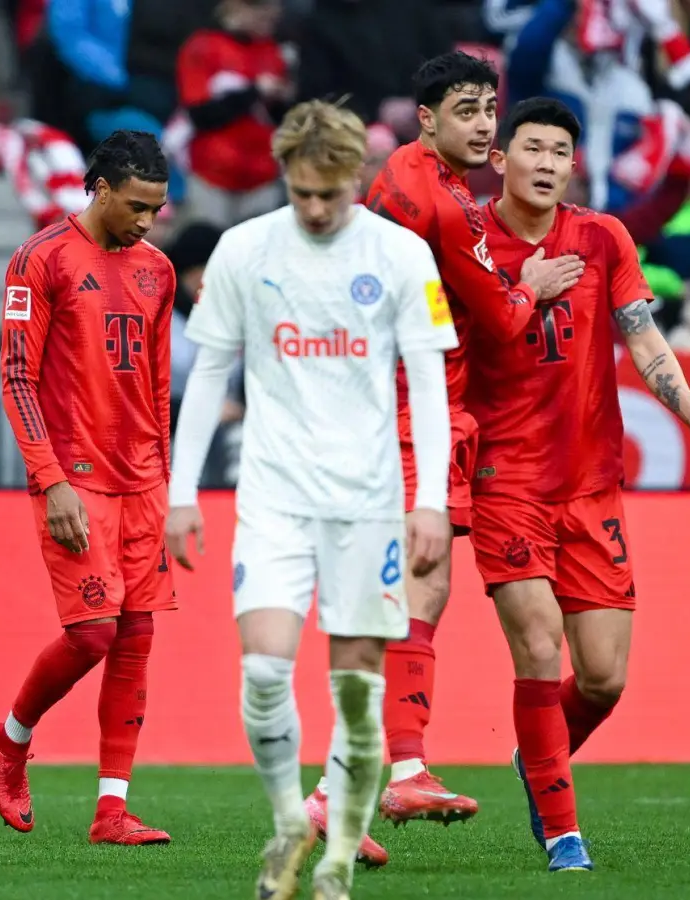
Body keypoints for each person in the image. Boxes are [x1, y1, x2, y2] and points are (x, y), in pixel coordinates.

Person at [165, 99, 456, 900]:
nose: (318, 210)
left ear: (357, 178)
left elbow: (428, 382)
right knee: (263, 671)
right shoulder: (242, 250)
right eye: (302, 194)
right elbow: (209, 374)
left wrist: (430, 499)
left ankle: (333, 860)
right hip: (274, 495)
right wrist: (181, 491)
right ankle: (293, 822)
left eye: (331, 194)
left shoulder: (400, 255)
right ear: (283, 179)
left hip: (369, 500)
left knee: (356, 686)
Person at [471, 97, 690, 873]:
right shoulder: (468, 243)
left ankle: (537, 759)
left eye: (560, 151)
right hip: (504, 480)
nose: (547, 162)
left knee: (606, 678)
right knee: (539, 646)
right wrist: (525, 293)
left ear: (573, 165)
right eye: (533, 148)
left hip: (590, 484)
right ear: (501, 158)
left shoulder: (602, 236)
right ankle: (563, 835)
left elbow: (641, 335)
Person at [345, 50, 586, 850]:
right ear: (427, 119)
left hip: (408, 403)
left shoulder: (415, 181)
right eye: (467, 110)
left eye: (490, 107)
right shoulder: (437, 202)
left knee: (413, 591)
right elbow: (498, 314)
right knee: (421, 578)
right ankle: (397, 773)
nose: (486, 123)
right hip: (413, 405)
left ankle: (356, 791)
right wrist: (534, 288)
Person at [0, 129, 176, 846]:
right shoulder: (41, 259)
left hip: (142, 481)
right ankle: (9, 739)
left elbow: (156, 382)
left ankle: (112, 810)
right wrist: (50, 480)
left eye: (157, 208)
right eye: (135, 206)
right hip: (74, 479)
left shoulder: (158, 268)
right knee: (93, 632)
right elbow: (15, 376)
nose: (147, 221)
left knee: (137, 635)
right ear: (98, 190)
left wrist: (167, 478)